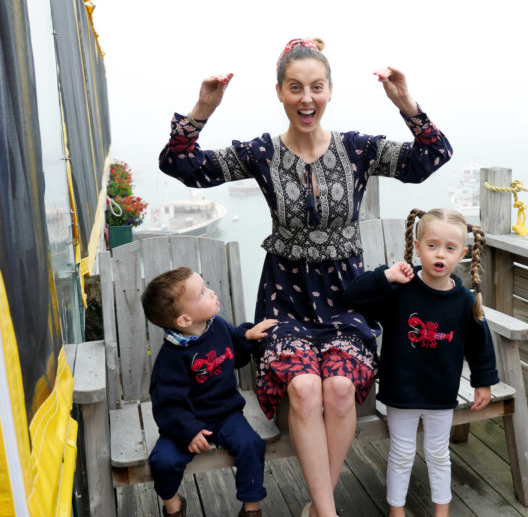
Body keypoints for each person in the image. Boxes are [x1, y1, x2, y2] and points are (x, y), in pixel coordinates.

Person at [158, 37, 453, 517]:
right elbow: (181, 165)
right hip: (284, 299)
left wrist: (406, 104)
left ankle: (319, 509)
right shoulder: (261, 153)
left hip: (349, 300)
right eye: (295, 87)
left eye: (316, 87)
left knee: (338, 389)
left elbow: (432, 156)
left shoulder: (359, 149)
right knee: (304, 387)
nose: (306, 98)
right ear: (279, 92)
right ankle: (328, 512)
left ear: (330, 91)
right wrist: (202, 108)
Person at [343, 208, 499, 517]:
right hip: (402, 391)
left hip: (440, 393)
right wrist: (385, 276)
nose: (440, 254)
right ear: (417, 246)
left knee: (439, 453)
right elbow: (352, 296)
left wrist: (483, 381)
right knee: (402, 453)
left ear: (463, 254)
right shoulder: (399, 291)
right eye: (432, 245)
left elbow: (480, 344)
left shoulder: (465, 300)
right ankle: (397, 510)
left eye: (450, 248)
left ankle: (442, 511)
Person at [142, 266, 277, 517]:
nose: (212, 293)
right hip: (186, 423)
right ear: (184, 320)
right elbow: (167, 404)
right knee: (162, 461)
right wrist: (189, 430)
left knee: (251, 445)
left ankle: (251, 509)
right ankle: (174, 507)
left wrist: (246, 335)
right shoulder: (171, 359)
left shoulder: (217, 326)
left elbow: (233, 349)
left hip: (225, 414)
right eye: (203, 293)